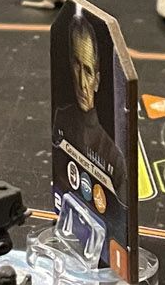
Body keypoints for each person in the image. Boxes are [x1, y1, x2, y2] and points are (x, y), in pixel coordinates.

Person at [52, 11, 127, 196]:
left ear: (97, 81)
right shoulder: (61, 119)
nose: (82, 83)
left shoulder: (113, 157)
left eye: (88, 71)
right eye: (77, 65)